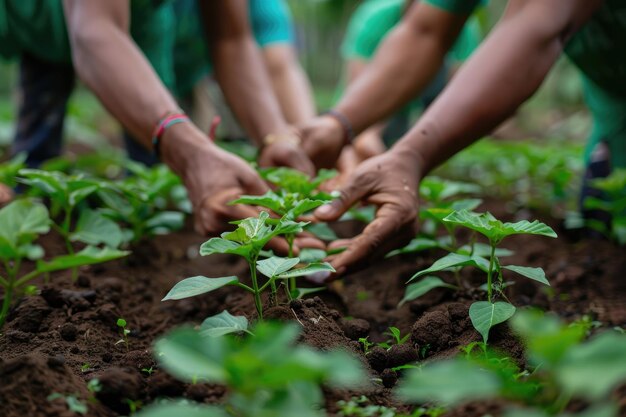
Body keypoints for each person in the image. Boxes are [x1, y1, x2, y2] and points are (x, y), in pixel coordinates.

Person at [308, 0, 624, 276]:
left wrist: (410, 155)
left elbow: (538, 22)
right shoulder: (377, 16)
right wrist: (338, 125)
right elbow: (426, 31)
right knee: (603, 231)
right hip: (613, 106)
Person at [0, 0, 317, 240]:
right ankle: (28, 214)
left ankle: (140, 222)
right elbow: (95, 30)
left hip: (140, 22)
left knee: (151, 152)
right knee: (38, 131)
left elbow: (230, 38)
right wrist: (192, 156)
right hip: (31, 16)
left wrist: (274, 137)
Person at [337, 0, 482, 169]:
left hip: (424, 112)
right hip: (373, 111)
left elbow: (463, 95)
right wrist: (361, 136)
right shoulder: (377, 16)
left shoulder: (464, 25)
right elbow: (357, 89)